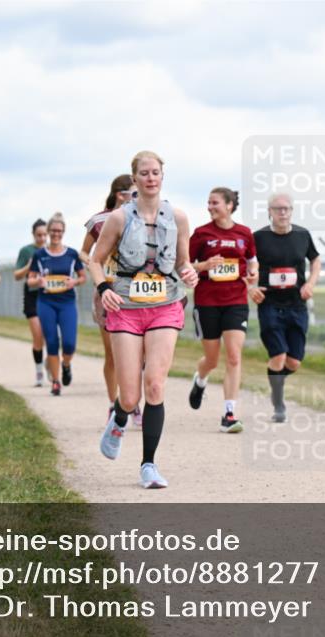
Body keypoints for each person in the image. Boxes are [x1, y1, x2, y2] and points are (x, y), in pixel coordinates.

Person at [90, 151, 198, 489]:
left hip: (165, 304)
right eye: (144, 173)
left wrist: (189, 272)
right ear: (134, 179)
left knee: (155, 384)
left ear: (163, 176)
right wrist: (104, 287)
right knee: (131, 396)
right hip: (125, 306)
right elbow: (96, 261)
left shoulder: (178, 218)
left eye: (156, 172)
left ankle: (148, 465)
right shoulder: (119, 219)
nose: (151, 178)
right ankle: (120, 417)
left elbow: (183, 261)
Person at [188, 187, 258, 433]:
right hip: (207, 301)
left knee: (234, 356)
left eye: (215, 202)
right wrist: (205, 265)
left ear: (229, 205)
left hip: (236, 301)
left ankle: (229, 413)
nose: (210, 207)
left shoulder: (244, 233)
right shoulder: (201, 234)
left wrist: (253, 273)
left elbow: (251, 260)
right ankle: (200, 379)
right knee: (212, 359)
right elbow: (185, 266)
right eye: (208, 203)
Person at [250, 192, 321, 423]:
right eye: (277, 209)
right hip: (270, 304)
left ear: (292, 211)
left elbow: (316, 259)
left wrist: (310, 283)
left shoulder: (302, 235)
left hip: (297, 305)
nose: (282, 212)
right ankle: (278, 403)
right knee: (278, 356)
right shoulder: (258, 237)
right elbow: (245, 263)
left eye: (286, 208)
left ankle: (276, 382)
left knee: (294, 362)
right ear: (269, 211)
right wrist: (250, 287)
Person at [81, 174, 138, 421]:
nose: (138, 198)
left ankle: (133, 402)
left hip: (137, 291)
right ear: (120, 195)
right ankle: (113, 403)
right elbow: (84, 253)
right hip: (108, 290)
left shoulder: (142, 218)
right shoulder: (99, 220)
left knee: (138, 354)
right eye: (133, 194)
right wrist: (98, 269)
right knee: (112, 353)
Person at [27, 213, 86, 396]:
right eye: (52, 230)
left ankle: (66, 364)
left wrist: (73, 282)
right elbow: (29, 280)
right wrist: (38, 281)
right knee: (52, 342)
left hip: (67, 302)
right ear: (48, 231)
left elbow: (83, 277)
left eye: (59, 231)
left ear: (64, 232)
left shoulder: (71, 254)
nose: (55, 234)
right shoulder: (39, 255)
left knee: (69, 344)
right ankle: (55, 381)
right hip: (46, 302)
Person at [14, 219, 49, 385]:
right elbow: (16, 275)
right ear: (33, 234)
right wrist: (29, 266)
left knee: (51, 337)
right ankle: (39, 371)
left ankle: (52, 364)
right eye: (38, 235)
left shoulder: (53, 250)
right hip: (32, 296)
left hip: (50, 296)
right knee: (37, 337)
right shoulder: (26, 251)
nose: (42, 238)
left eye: (44, 235)